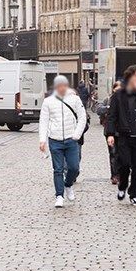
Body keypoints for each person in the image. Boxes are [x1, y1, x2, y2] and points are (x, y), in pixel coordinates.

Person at [105, 65, 136, 204]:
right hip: (124, 136)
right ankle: (122, 186)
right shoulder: (118, 95)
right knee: (125, 164)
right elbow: (112, 116)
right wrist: (110, 134)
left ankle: (134, 194)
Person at [39, 74, 87, 208]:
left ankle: (68, 185)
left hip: (71, 139)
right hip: (55, 139)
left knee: (74, 167)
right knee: (58, 169)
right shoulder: (48, 102)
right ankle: (59, 195)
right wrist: (42, 140)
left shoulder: (75, 99)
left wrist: (77, 134)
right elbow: (43, 121)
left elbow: (82, 117)